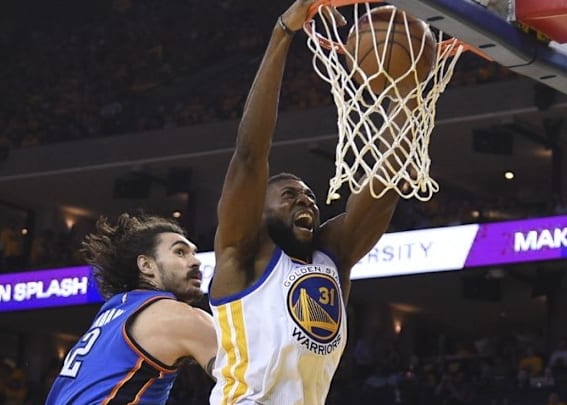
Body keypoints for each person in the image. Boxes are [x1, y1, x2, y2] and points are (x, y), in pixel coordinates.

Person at [208, 0, 415, 403]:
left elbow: (386, 186)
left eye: (309, 196)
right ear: (260, 211)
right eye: (289, 195)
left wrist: (407, 92)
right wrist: (283, 32)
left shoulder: (331, 258)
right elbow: (250, 158)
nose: (306, 201)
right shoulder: (240, 257)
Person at [47, 213, 216, 404]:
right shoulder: (172, 314)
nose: (196, 261)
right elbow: (246, 375)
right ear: (146, 265)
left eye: (194, 253)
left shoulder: (113, 311)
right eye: (180, 252)